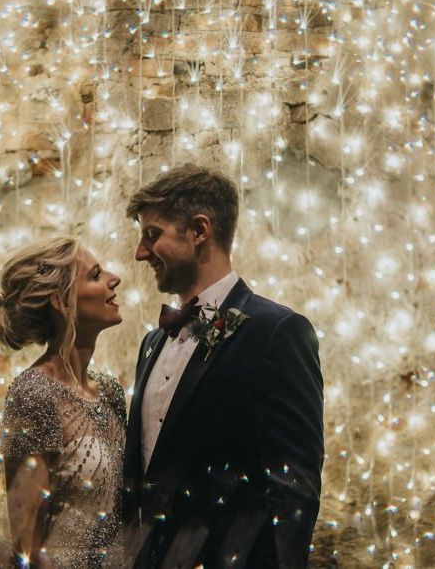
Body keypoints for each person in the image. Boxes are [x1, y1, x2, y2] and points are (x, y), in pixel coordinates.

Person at [122, 164, 324, 568]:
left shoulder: (278, 331)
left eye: (152, 235)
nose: (140, 253)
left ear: (199, 231)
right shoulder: (152, 342)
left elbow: (294, 487)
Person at [0, 236, 127, 568]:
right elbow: (26, 543)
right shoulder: (33, 395)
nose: (114, 278)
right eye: (95, 275)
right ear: (61, 302)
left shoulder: (110, 391)